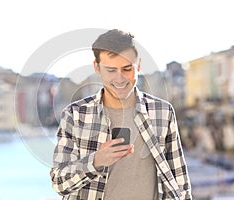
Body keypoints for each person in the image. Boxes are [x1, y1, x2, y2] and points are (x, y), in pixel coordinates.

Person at [50, 29, 192, 200]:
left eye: (127, 69)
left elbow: (180, 183)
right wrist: (95, 161)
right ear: (97, 67)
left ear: (138, 65)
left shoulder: (162, 112)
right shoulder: (75, 115)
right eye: (110, 70)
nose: (120, 79)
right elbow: (59, 182)